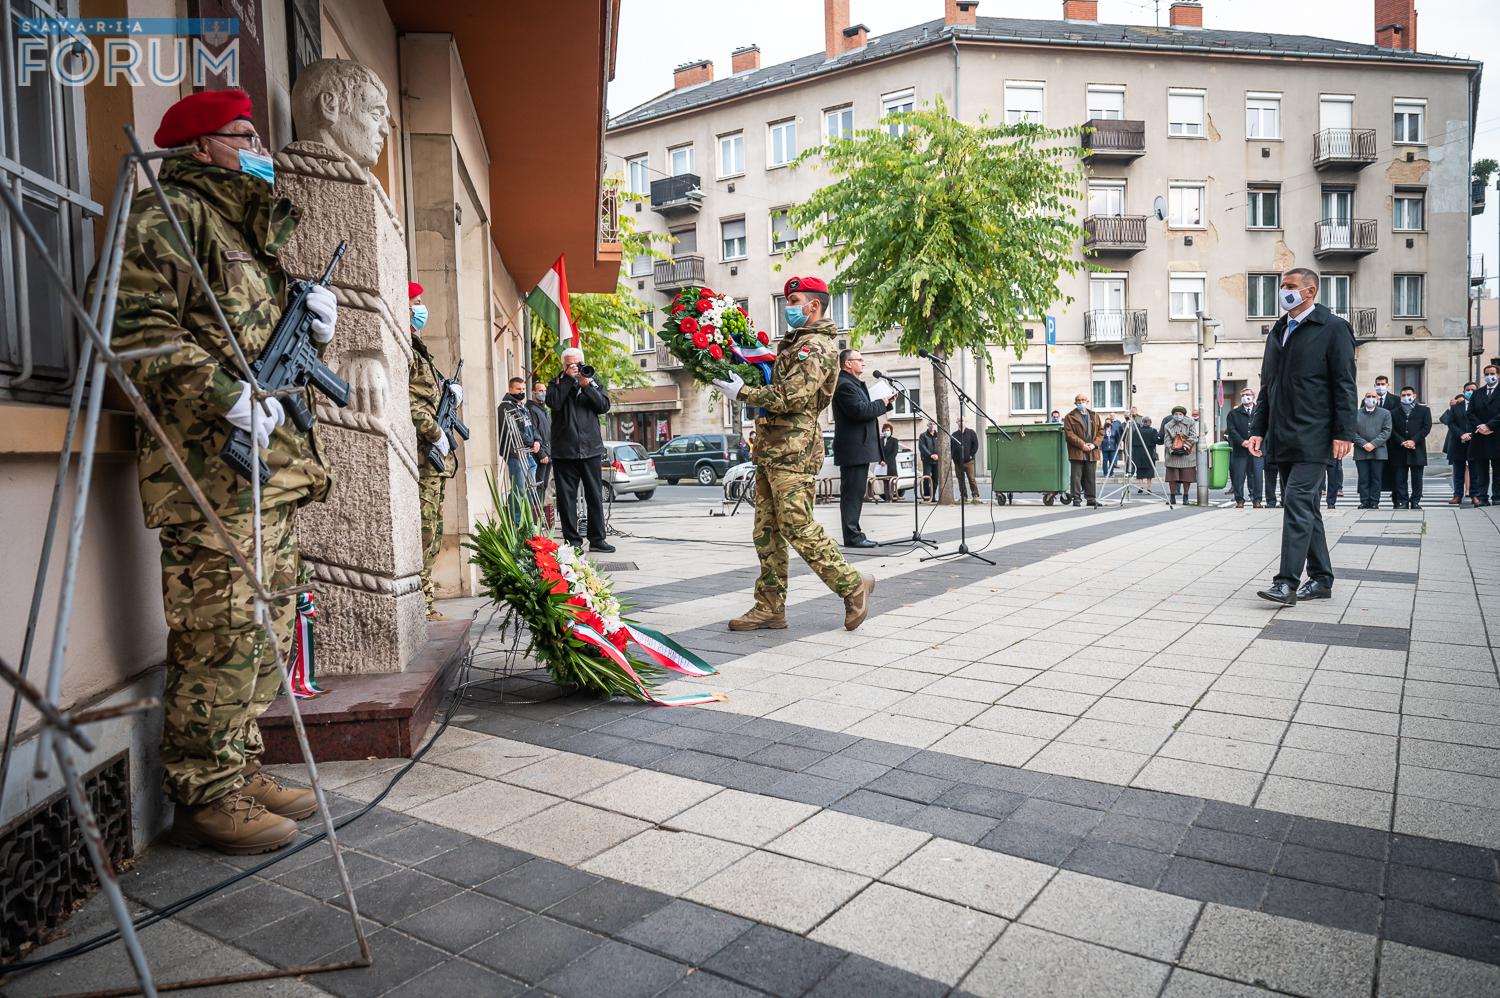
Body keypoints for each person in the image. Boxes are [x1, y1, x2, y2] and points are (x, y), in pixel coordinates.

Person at [112, 90, 335, 853]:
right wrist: (222, 394)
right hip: (205, 473)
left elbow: (250, 340)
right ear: (200, 145)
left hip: (263, 472)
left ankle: (237, 765)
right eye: (245, 135)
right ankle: (204, 794)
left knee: (264, 626)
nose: (259, 147)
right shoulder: (168, 215)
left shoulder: (244, 228)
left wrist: (312, 333)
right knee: (220, 633)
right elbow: (135, 328)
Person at [711, 276, 875, 631]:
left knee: (797, 524)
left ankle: (852, 585)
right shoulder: (796, 342)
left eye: (794, 301)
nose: (789, 307)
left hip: (794, 450)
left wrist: (743, 392)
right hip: (773, 448)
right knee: (767, 531)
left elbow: (792, 397)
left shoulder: (815, 346)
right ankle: (770, 606)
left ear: (813, 306)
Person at [1248, 267, 1357, 606]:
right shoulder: (1278, 330)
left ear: (1310, 291)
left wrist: (1344, 432)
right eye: (1283, 286)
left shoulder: (1333, 328)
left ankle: (1286, 583)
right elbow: (1267, 386)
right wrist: (1258, 430)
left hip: (1316, 435)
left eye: (1291, 286)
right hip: (1283, 436)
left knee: (1296, 502)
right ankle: (1321, 579)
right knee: (1306, 506)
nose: (1284, 291)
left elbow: (1345, 384)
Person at [408, 281, 463, 620]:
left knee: (434, 530)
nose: (420, 307)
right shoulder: (407, 350)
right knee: (425, 531)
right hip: (422, 454)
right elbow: (411, 404)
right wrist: (436, 432)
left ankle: (427, 600)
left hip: (434, 459)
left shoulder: (419, 349)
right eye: (415, 301)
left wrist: (448, 392)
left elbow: (427, 397)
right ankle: (422, 603)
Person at [548, 347, 614, 552]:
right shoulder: (555, 383)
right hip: (564, 452)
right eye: (570, 365)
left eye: (578, 364)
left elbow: (604, 406)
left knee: (595, 495)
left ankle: (597, 539)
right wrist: (568, 380)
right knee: (567, 499)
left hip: (591, 449)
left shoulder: (592, 380)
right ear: (563, 366)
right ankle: (572, 542)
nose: (575, 368)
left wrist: (588, 387)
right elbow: (554, 403)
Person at [832, 348, 892, 547]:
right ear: (848, 363)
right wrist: (882, 402)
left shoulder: (853, 384)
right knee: (852, 495)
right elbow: (859, 411)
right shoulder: (844, 385)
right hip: (853, 449)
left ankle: (855, 534)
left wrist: (886, 403)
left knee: (856, 494)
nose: (863, 363)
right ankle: (852, 536)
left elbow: (866, 409)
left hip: (859, 449)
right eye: (859, 359)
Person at [498, 376, 540, 521]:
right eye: (518, 389)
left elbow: (532, 427)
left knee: (530, 489)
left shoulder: (522, 407)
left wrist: (537, 441)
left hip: (528, 454)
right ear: (510, 389)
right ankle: (516, 523)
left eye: (523, 389)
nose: (521, 392)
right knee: (519, 489)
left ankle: (527, 521)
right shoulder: (505, 407)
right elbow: (512, 430)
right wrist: (531, 442)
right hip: (515, 454)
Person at [1389, 385, 1431, 510]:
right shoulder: (1394, 412)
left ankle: (1415, 501)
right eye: (1403, 395)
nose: (1406, 397)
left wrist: (1414, 441)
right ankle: (1403, 501)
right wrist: (1402, 442)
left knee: (1417, 478)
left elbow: (1426, 427)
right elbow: (1392, 430)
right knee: (1400, 478)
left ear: (1414, 396)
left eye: (1408, 395)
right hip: (1399, 450)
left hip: (1417, 449)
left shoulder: (1424, 410)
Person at [1466, 364, 1500, 506]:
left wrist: (1489, 425)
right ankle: (1482, 497)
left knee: (1498, 470)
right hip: (1480, 436)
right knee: (1481, 470)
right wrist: (1480, 426)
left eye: (1492, 373)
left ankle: (1497, 497)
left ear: (1498, 375)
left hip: (1496, 435)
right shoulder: (1477, 393)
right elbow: (1470, 412)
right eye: (1486, 374)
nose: (1489, 376)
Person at [1353, 390, 1393, 509]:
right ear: (1364, 399)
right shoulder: (1356, 413)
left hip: (1378, 451)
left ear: (1377, 399)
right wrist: (1364, 443)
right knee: (1363, 478)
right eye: (1368, 396)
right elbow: (1351, 431)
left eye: (1373, 396)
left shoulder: (1385, 413)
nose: (1371, 398)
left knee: (1376, 477)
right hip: (1361, 451)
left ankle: (1375, 501)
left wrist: (1373, 444)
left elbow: (1386, 431)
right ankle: (1364, 501)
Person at [1063, 393, 1103, 507]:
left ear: (1087, 402)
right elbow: (1069, 434)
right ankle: (1076, 499)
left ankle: (1091, 499)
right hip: (1077, 451)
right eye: (1079, 401)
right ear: (1075, 403)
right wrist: (1082, 445)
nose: (1081, 402)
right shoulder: (1070, 416)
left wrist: (1094, 445)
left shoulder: (1094, 415)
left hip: (1092, 450)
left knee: (1090, 476)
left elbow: (1101, 432)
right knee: (1076, 477)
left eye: (1083, 400)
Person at [1226, 389, 1263, 508]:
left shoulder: (1260, 412)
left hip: (1256, 450)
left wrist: (1257, 441)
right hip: (1240, 450)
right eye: (1243, 395)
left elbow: (1265, 427)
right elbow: (1231, 430)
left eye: (1248, 394)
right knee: (1239, 476)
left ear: (1253, 396)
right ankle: (1239, 500)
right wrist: (1242, 442)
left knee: (1257, 476)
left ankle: (1257, 500)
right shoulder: (1234, 413)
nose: (1245, 397)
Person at [1440, 387, 1475, 505]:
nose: (1470, 392)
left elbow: (1481, 422)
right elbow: (1450, 422)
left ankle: (1475, 495)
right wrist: (1461, 434)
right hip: (1458, 442)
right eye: (1468, 389)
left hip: (1474, 442)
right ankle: (1457, 495)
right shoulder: (1456, 408)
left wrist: (1471, 434)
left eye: (1473, 389)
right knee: (1458, 471)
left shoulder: (1480, 406)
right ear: (1464, 391)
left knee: (1475, 471)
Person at [527, 380, 554, 527]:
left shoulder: (543, 409)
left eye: (544, 390)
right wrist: (542, 453)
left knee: (543, 486)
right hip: (540, 455)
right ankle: (535, 519)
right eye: (540, 391)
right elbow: (534, 432)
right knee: (537, 486)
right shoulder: (531, 409)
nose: (543, 393)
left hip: (548, 454)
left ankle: (539, 517)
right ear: (533, 393)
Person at [1160, 405, 1199, 506]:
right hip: (1173, 456)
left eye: (1180, 414)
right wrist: (1172, 449)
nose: (1178, 416)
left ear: (1184, 415)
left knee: (1187, 478)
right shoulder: (1168, 425)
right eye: (1176, 414)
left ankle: (1186, 496)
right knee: (1172, 478)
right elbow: (1166, 439)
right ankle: (1172, 497)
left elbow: (1194, 436)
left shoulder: (1190, 422)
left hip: (1187, 455)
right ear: (1173, 415)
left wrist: (1185, 447)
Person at [952, 416, 981, 503]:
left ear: (966, 422)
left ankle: (975, 495)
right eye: (959, 421)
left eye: (962, 421)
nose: (961, 422)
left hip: (969, 461)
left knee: (971, 478)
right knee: (960, 480)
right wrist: (954, 458)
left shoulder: (971, 433)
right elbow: (951, 447)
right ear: (956, 423)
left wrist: (971, 455)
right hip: (958, 462)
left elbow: (975, 445)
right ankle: (963, 496)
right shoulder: (954, 435)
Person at [1132, 416, 1159, 493]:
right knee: (1149, 470)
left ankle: (1140, 487)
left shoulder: (1137, 430)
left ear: (1142, 422)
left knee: (1140, 470)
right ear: (1150, 423)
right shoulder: (1153, 431)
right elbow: (1156, 440)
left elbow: (1133, 442)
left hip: (1138, 453)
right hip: (1149, 452)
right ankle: (1148, 488)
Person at [918, 421, 941, 502]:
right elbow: (922, 447)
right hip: (927, 460)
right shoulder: (923, 435)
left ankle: (932, 496)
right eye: (930, 424)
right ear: (927, 425)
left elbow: (941, 446)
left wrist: (938, 455)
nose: (932, 425)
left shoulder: (939, 435)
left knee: (935, 479)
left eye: (934, 424)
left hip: (937, 460)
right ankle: (927, 496)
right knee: (926, 478)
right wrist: (930, 455)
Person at [879, 422, 902, 502]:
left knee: (891, 481)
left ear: (891, 431)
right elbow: (878, 452)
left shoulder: (894, 440)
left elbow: (894, 453)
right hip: (882, 465)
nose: (886, 432)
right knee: (885, 482)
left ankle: (891, 497)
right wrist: (880, 461)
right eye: (884, 430)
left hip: (890, 464)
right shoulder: (880, 440)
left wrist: (886, 462)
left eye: (888, 430)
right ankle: (887, 498)